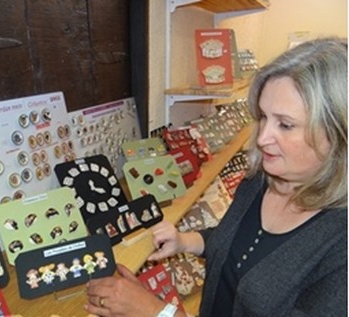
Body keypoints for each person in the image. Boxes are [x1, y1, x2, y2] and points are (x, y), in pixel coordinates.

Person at [84, 37, 347, 316]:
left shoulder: (342, 245)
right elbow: (240, 246)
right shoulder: (260, 180)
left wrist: (157, 313)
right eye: (262, 117)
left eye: (285, 124)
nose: (263, 137)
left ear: (337, 133)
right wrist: (186, 241)